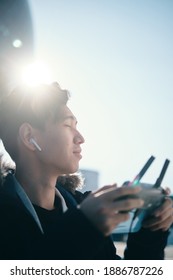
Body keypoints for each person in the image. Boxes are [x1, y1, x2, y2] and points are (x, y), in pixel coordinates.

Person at [0, 82, 172, 260]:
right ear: (29, 137)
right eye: (68, 125)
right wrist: (84, 228)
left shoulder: (85, 208)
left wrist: (150, 234)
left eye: (77, 126)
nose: (81, 138)